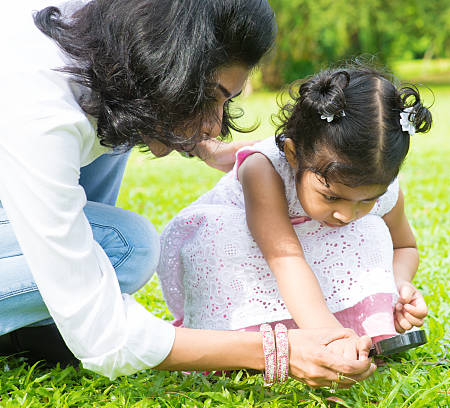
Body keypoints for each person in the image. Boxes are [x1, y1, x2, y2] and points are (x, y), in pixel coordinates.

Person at [0, 0, 376, 388]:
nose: (215, 126)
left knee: (117, 130)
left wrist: (200, 144)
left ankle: (37, 321)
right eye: (210, 95)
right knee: (125, 248)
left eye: (226, 101)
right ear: (166, 61)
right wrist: (279, 350)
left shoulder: (104, 40)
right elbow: (105, 337)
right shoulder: (41, 106)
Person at [157, 64, 432, 358]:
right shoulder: (263, 169)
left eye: (366, 200)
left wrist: (398, 284)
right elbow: (285, 259)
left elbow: (404, 245)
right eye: (331, 196)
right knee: (224, 237)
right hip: (248, 259)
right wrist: (330, 338)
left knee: (371, 229)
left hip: (301, 265)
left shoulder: (378, 185)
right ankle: (258, 339)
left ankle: (360, 328)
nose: (346, 214)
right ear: (292, 154)